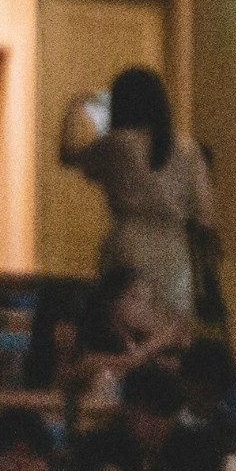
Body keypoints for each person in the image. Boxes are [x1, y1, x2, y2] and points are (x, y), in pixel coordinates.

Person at [58, 64, 218, 327]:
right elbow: (204, 217)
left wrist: (77, 105)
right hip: (175, 249)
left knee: (125, 325)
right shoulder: (188, 149)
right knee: (172, 328)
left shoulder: (117, 144)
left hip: (128, 241)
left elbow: (67, 155)